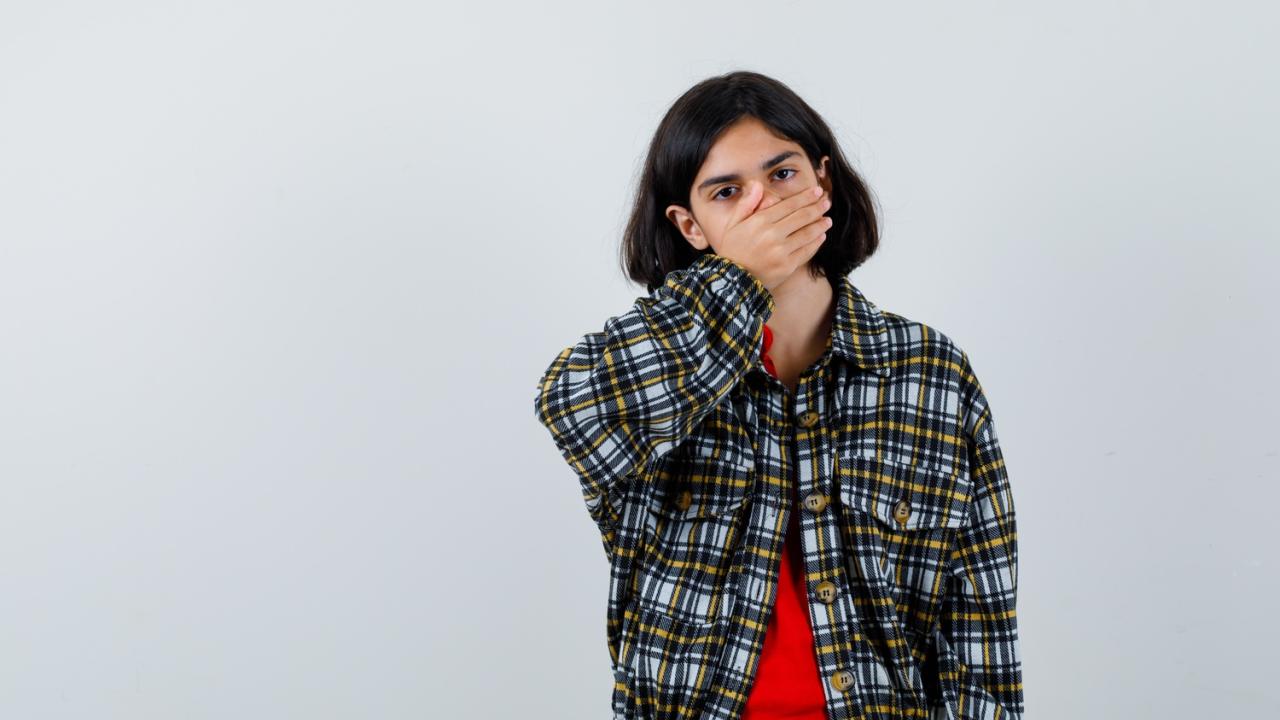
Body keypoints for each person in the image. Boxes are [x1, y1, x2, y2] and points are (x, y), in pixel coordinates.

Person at [533, 70, 1023, 720]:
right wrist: (743, 278)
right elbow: (575, 410)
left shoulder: (929, 370)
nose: (763, 204)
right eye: (728, 192)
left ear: (823, 179)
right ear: (691, 224)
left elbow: (980, 627)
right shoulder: (657, 366)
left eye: (783, 175)